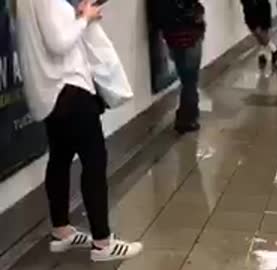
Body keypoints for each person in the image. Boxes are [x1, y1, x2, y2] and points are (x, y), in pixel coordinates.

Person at [15, 0, 143, 262]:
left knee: (60, 158)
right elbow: (58, 42)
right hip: (69, 89)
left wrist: (77, 14)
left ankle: (62, 232)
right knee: (94, 161)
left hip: (50, 93)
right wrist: (84, 18)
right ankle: (102, 243)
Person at [148, 0, 206, 134]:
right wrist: (198, 14)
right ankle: (187, 119)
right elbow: (191, 12)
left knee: (186, 78)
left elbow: (158, 16)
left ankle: (185, 116)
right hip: (190, 36)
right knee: (190, 81)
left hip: (173, 38)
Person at [239, 0, 277, 68]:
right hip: (253, 7)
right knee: (258, 31)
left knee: (260, 30)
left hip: (258, 6)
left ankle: (268, 51)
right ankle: (270, 50)